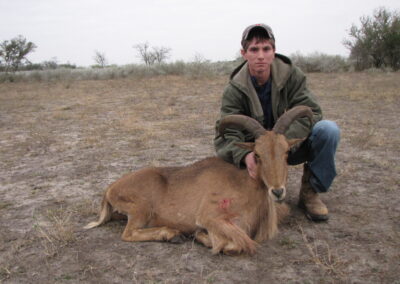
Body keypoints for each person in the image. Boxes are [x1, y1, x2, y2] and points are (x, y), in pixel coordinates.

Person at [214, 24, 340, 222]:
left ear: (274, 52)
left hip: (289, 146)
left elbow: (312, 112)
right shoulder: (235, 89)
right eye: (254, 50)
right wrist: (245, 154)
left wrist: (281, 143)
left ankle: (310, 193)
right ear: (244, 53)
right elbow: (227, 132)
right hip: (260, 156)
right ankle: (260, 188)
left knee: (328, 130)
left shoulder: (292, 76)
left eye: (266, 49)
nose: (261, 56)